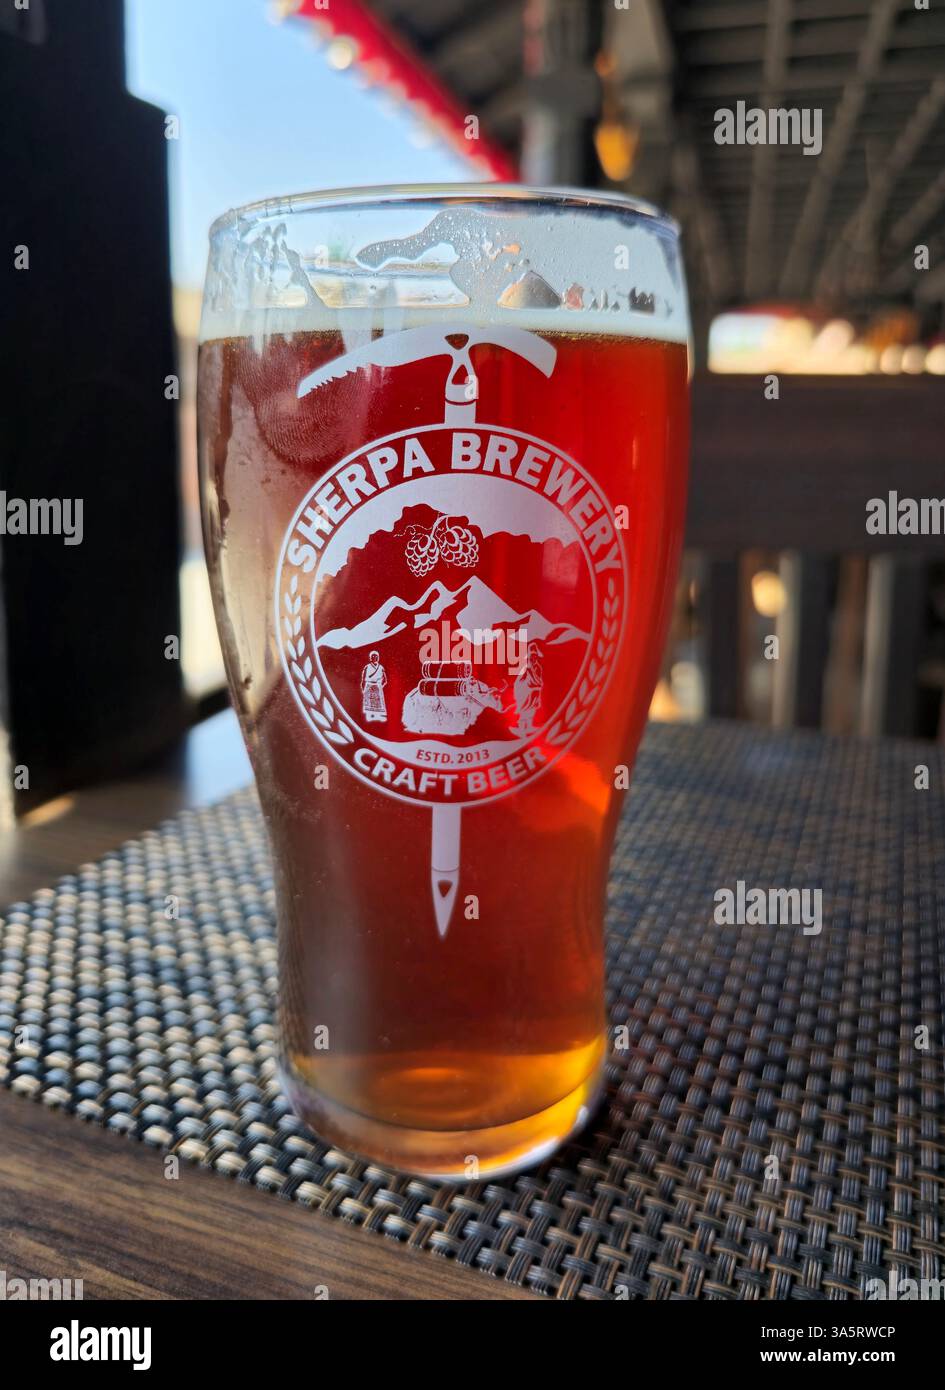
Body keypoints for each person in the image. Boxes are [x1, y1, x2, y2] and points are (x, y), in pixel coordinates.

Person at [360, 650, 388, 722]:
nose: (374, 657)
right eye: (373, 656)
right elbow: (363, 678)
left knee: (378, 702)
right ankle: (369, 716)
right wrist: (363, 688)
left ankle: (378, 716)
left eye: (376, 656)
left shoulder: (381, 667)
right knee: (369, 701)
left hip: (378, 686)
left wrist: (380, 686)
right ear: (370, 658)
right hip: (369, 685)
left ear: (378, 657)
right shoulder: (367, 667)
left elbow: (385, 679)